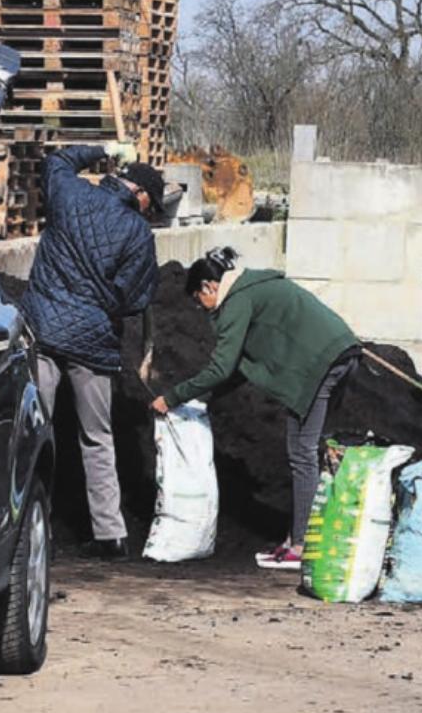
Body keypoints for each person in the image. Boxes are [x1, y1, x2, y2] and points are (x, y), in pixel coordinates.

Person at [150, 247, 361, 571]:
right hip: (340, 354)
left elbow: (221, 367)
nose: (200, 308)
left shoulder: (237, 300)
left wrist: (173, 396)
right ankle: (299, 538)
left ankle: (302, 545)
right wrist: (205, 398)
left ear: (209, 286)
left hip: (318, 365)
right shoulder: (254, 288)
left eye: (198, 299)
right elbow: (234, 371)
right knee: (307, 450)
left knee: (302, 452)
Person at [20, 142, 165, 561]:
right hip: (92, 341)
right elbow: (134, 297)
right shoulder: (137, 233)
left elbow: (58, 161)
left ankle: (27, 528)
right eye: (150, 204)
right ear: (138, 193)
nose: (149, 213)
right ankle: (111, 536)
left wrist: (101, 149)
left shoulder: (70, 194)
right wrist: (102, 308)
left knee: (33, 434)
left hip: (42, 331)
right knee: (98, 438)